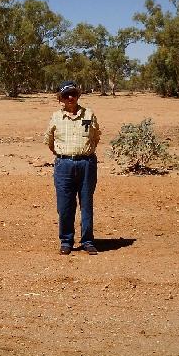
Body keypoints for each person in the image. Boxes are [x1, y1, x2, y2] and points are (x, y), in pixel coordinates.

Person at [44, 81, 101, 255]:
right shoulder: (55, 117)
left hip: (86, 164)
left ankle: (87, 241)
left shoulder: (89, 114)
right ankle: (66, 241)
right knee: (65, 205)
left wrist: (83, 154)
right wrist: (65, 155)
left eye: (74, 94)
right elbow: (49, 141)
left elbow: (96, 137)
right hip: (63, 166)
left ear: (78, 96)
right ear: (60, 98)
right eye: (66, 94)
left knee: (86, 203)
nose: (70, 97)